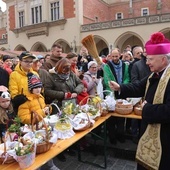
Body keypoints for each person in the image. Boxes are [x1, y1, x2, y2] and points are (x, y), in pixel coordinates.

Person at [109, 32, 170, 170]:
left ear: (163, 60)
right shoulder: (154, 75)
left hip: (165, 138)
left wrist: (146, 109)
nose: (147, 62)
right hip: (149, 131)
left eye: (150, 59)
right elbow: (138, 87)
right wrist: (120, 87)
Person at [17, 73, 59, 170]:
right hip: (32, 129)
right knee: (35, 150)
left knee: (46, 147)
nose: (38, 89)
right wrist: (41, 112)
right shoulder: (25, 101)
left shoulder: (40, 97)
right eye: (35, 87)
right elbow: (24, 118)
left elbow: (44, 108)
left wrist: (48, 108)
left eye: (39, 87)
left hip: (42, 126)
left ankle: (50, 165)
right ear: (30, 88)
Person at [44, 58, 84, 161]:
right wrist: (63, 95)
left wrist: (76, 91)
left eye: (68, 69)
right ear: (59, 68)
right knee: (59, 128)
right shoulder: (51, 76)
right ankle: (59, 151)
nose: (66, 72)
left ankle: (70, 147)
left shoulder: (71, 74)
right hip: (58, 105)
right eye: (64, 70)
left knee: (70, 125)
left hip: (71, 103)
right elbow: (47, 91)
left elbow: (81, 83)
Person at [103, 48, 130, 144]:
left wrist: (122, 87)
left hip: (121, 92)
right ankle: (112, 136)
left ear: (120, 55)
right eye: (113, 56)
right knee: (112, 117)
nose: (114, 58)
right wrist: (113, 89)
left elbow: (127, 77)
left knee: (121, 115)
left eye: (116, 56)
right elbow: (107, 80)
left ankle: (120, 134)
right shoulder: (107, 66)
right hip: (111, 94)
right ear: (110, 56)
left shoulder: (125, 65)